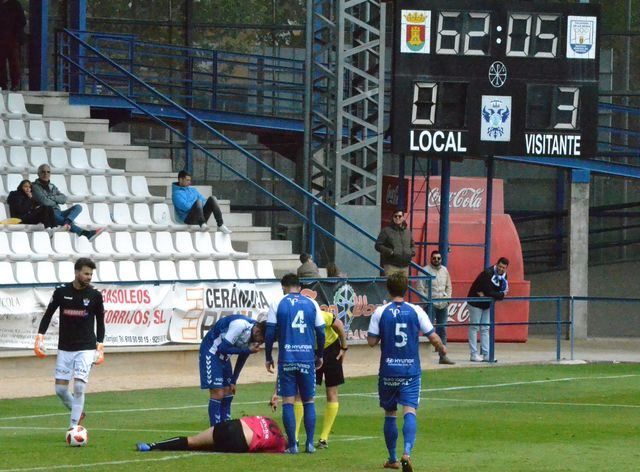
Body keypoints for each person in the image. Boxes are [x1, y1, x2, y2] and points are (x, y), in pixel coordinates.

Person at [367, 272, 447, 472]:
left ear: (388, 289)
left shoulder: (380, 312)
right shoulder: (416, 311)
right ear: (406, 289)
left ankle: (393, 458)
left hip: (388, 370)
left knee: (390, 413)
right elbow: (433, 337)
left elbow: (371, 342)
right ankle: (407, 453)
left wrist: (383, 335)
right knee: (410, 410)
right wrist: (441, 349)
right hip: (410, 370)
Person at [34, 258, 105, 430]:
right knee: (60, 390)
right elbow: (48, 314)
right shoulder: (61, 292)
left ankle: (73, 428)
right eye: (86, 273)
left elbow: (101, 322)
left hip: (86, 348)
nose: (89, 277)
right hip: (65, 347)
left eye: (91, 274)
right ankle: (77, 411)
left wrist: (100, 347)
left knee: (79, 386)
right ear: (76, 272)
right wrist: (40, 337)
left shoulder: (95, 296)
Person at [264, 273, 325, 453]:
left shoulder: (278, 303)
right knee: (309, 401)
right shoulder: (312, 303)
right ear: (299, 287)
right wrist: (319, 354)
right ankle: (310, 444)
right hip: (307, 358)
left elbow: (269, 333)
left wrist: (268, 356)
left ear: (283, 287)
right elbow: (321, 332)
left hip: (287, 359)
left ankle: (292, 445)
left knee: (288, 402)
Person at [199, 315, 266, 426]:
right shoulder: (240, 325)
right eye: (262, 340)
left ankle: (226, 429)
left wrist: (234, 380)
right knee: (218, 393)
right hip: (212, 352)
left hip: (224, 356)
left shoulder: (254, 333)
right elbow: (222, 348)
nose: (261, 343)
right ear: (258, 332)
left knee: (229, 391)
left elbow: (243, 356)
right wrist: (247, 350)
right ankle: (215, 432)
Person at [136, 415, 287, 453]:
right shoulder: (279, 444)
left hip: (230, 425)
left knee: (192, 441)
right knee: (202, 447)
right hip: (239, 441)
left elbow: (248, 418)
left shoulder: (269, 419)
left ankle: (151, 446)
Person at [31, 164, 104, 240]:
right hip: (48, 214)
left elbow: (63, 199)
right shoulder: (35, 186)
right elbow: (44, 202)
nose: (46, 174)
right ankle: (86, 234)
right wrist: (56, 201)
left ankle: (67, 222)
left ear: (50, 174)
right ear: (38, 173)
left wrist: (51, 197)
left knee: (78, 207)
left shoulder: (52, 186)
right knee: (54, 215)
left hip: (58, 212)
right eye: (43, 172)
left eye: (48, 172)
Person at [467, 257, 509, 362]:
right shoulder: (487, 273)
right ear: (496, 264)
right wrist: (498, 294)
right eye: (500, 266)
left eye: (504, 267)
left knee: (485, 328)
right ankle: (473, 354)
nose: (501, 269)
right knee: (474, 327)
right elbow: (489, 291)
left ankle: (486, 354)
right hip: (475, 302)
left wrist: (497, 295)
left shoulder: (504, 277)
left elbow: (500, 292)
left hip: (486, 304)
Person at [417, 250, 455, 365]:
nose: (436, 260)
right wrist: (427, 302)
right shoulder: (424, 270)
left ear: (441, 259)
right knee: (428, 329)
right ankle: (424, 357)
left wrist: (447, 300)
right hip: (431, 304)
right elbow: (420, 288)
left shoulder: (445, 270)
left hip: (442, 304)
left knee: (442, 330)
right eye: (434, 258)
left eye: (439, 258)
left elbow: (449, 287)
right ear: (430, 258)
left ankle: (443, 356)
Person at [375, 209, 416, 276]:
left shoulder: (408, 232)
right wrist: (390, 252)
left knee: (403, 286)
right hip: (391, 266)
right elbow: (378, 245)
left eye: (399, 216)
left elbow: (412, 244)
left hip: (405, 266)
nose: (397, 218)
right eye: (395, 216)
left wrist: (412, 252)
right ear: (392, 218)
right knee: (391, 286)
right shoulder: (386, 231)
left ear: (403, 218)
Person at [0, 0, 26, 91]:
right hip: (2, 39)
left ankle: (15, 84)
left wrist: (17, 34)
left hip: (13, 38)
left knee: (14, 62)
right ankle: (2, 84)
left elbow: (22, 21)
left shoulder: (15, 4)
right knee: (1, 64)